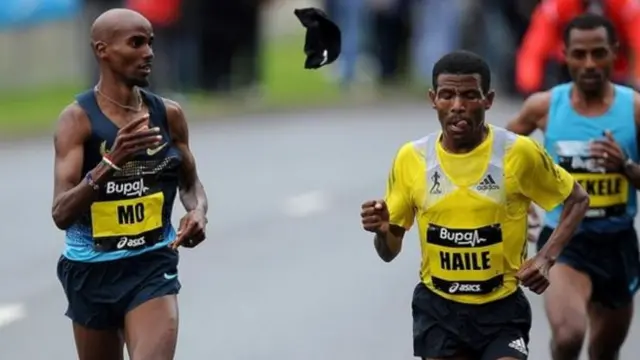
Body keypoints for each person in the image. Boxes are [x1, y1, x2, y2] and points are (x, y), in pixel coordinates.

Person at [360, 50, 590, 360]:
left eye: (470, 95)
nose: (458, 106)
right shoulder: (411, 158)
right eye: (447, 95)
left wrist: (546, 259)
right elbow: (388, 252)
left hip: (501, 309)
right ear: (433, 99)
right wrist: (382, 230)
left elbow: (577, 200)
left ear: (488, 100)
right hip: (439, 310)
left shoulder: (517, 153)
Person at [51, 8, 208, 360]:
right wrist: (111, 161)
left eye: (150, 43)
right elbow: (61, 213)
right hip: (91, 269)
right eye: (136, 43)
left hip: (151, 264)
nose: (148, 52)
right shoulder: (77, 121)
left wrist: (198, 211)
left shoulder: (169, 115)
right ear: (102, 50)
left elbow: (191, 183)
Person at [507, 13, 640, 360]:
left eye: (599, 53)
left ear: (615, 52)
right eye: (579, 54)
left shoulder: (635, 109)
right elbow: (497, 158)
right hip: (564, 242)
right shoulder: (544, 107)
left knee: (604, 351)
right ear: (564, 54)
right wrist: (520, 201)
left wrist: (625, 168)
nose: (589, 64)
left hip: (618, 242)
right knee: (568, 336)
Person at [516, 0, 640, 94]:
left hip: (617, 72)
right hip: (567, 72)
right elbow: (535, 47)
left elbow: (637, 40)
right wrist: (531, 87)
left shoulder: (626, 5)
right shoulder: (557, 6)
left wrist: (637, 80)